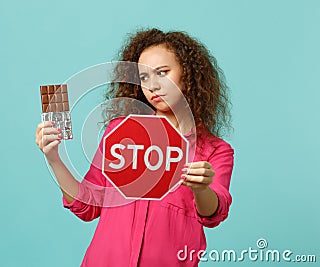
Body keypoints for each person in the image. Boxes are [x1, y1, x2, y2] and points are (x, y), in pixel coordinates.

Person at [35, 28, 234, 267]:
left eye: (163, 72)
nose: (152, 86)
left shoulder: (215, 150)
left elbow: (213, 214)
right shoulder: (120, 132)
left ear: (188, 74)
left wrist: (201, 189)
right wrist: (54, 158)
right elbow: (86, 205)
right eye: (144, 77)